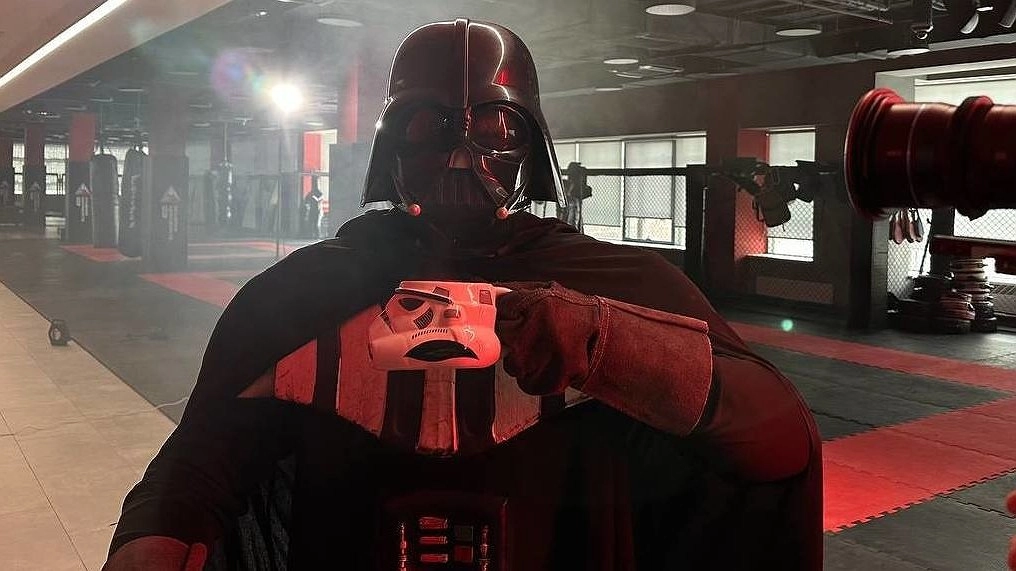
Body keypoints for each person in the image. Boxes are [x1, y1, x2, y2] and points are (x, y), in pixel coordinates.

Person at [104, 19, 822, 570]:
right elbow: (203, 458)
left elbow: (779, 440)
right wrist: (158, 535)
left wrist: (607, 342)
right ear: (393, 145)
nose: (460, 155)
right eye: (430, 127)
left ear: (529, 146)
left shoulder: (605, 282)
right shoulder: (306, 292)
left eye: (493, 128)